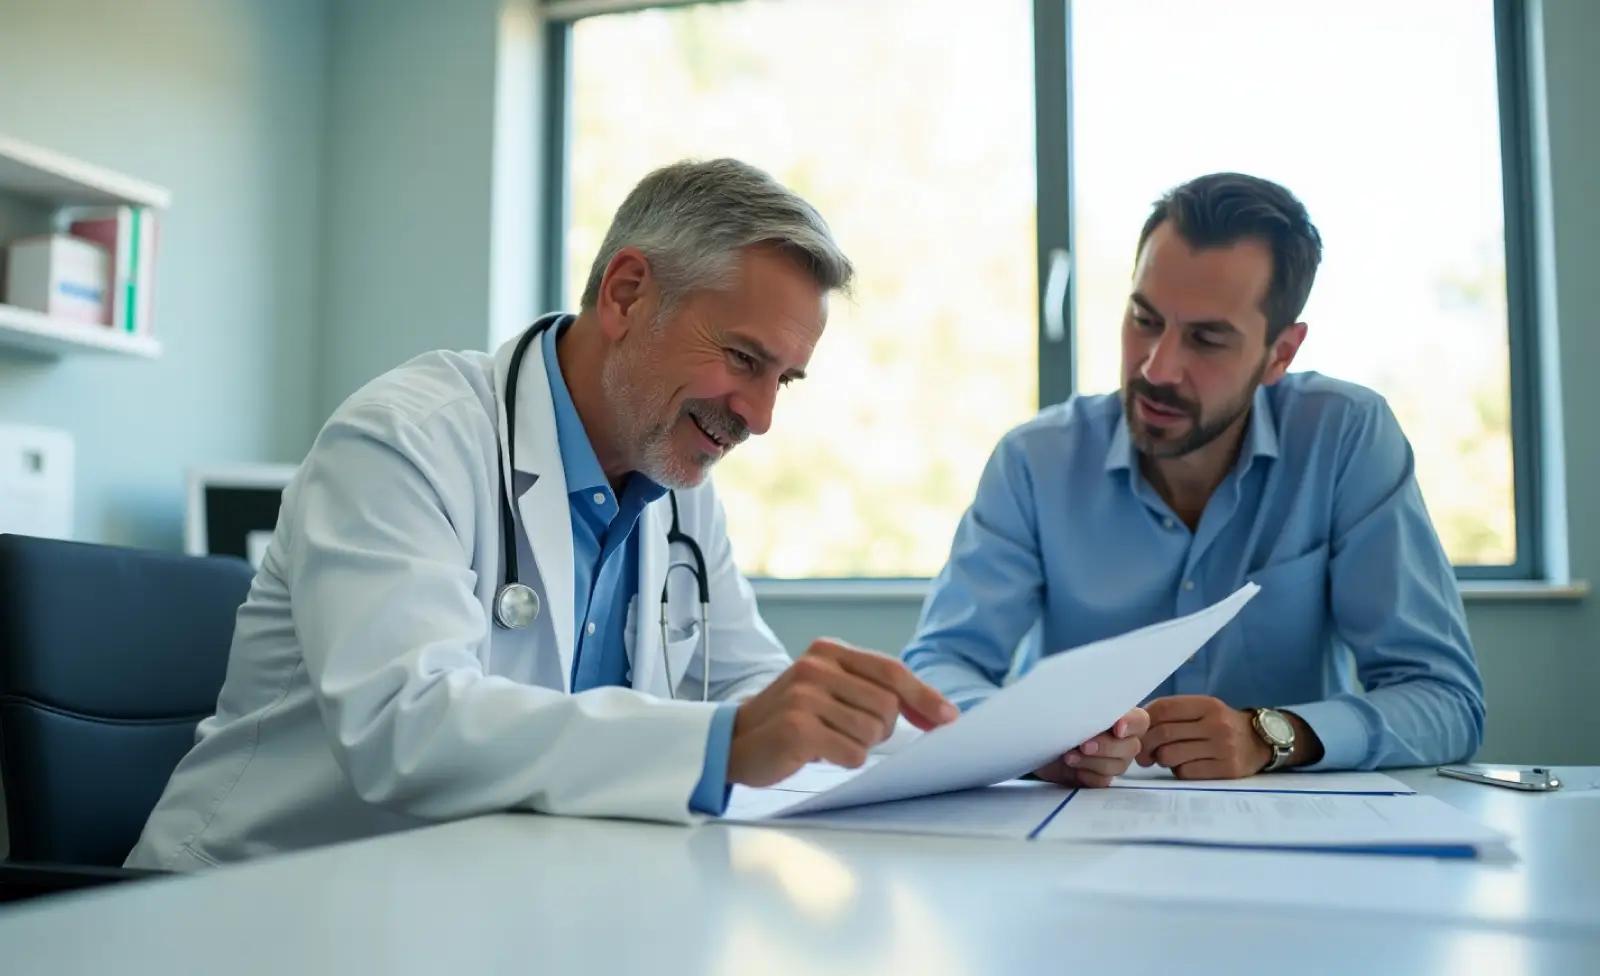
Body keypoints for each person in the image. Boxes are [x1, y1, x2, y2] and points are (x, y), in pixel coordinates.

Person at [129, 159, 1141, 870]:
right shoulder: (405, 439)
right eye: (744, 360)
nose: (759, 416)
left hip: (473, 905)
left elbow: (762, 695)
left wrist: (997, 749)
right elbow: (408, 724)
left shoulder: (677, 488)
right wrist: (718, 745)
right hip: (252, 910)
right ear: (625, 292)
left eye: (786, 377)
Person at [903, 172, 1484, 782]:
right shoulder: (1035, 461)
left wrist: (1271, 733)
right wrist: (1025, 742)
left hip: (1288, 846)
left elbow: (1446, 701)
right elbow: (938, 671)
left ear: (1280, 353)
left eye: (1206, 339)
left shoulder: (1344, 439)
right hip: (1075, 837)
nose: (1158, 368)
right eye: (1144, 320)